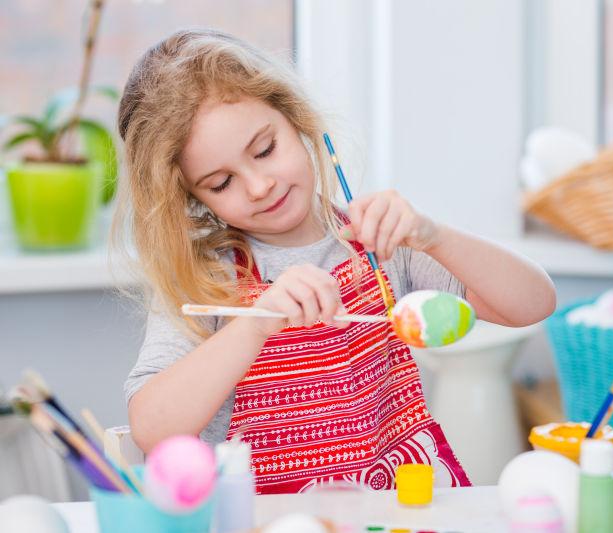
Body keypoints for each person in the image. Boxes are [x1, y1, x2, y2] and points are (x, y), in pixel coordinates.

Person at [116, 29, 556, 494]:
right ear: (192, 197)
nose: (259, 185)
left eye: (265, 150)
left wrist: (434, 236)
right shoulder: (202, 278)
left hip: (391, 514)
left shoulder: (379, 244)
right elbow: (152, 428)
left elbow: (532, 303)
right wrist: (253, 325)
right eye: (221, 183)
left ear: (296, 120)